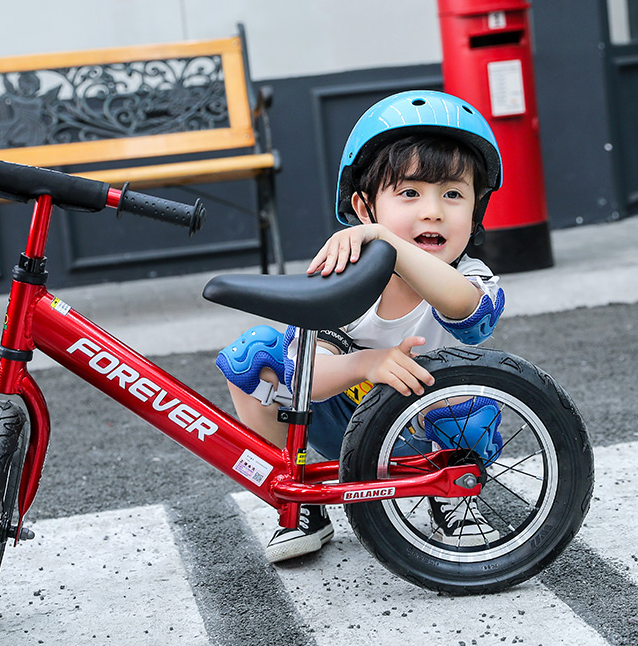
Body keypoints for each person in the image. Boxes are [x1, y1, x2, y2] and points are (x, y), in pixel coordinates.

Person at [216, 90, 506, 563]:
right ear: (364, 206)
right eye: (409, 193)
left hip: (427, 431)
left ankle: (453, 497)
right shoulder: (347, 280)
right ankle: (297, 495)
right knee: (254, 357)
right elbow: (305, 378)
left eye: (453, 194)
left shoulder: (468, 277)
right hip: (341, 425)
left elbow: (465, 311)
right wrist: (368, 362)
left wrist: (386, 237)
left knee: (467, 401)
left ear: (476, 210)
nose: (432, 210)